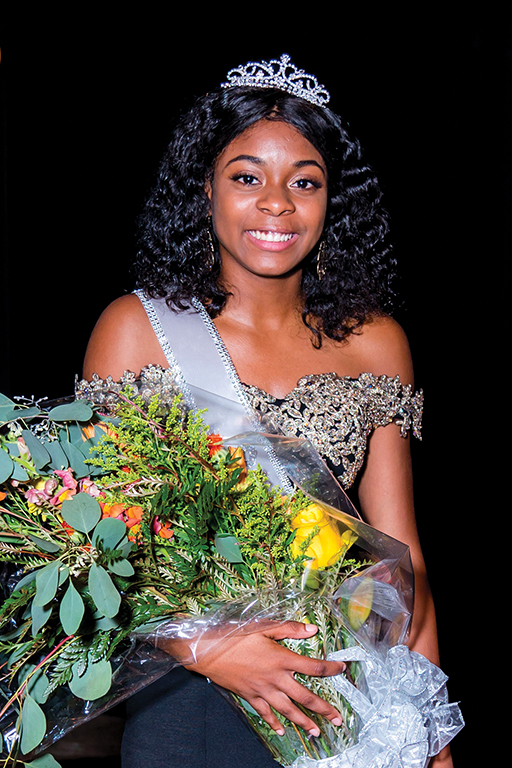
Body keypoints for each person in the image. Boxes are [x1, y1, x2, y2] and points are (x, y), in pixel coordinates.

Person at [81, 55, 453, 767]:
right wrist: (210, 649)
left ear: (329, 201)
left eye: (304, 182)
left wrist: (429, 732)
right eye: (247, 177)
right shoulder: (135, 330)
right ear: (205, 190)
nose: (277, 203)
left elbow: (404, 567)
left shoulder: (375, 342)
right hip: (189, 703)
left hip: (349, 694)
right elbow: (102, 551)